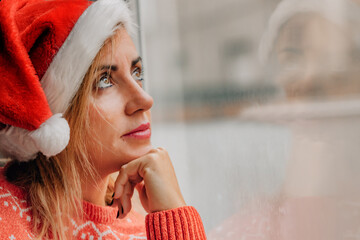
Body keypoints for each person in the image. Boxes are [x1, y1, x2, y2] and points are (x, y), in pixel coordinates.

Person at [0, 0, 206, 239]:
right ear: (55, 116)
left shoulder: (149, 223)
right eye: (104, 81)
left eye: (137, 72)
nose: (144, 99)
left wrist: (174, 214)